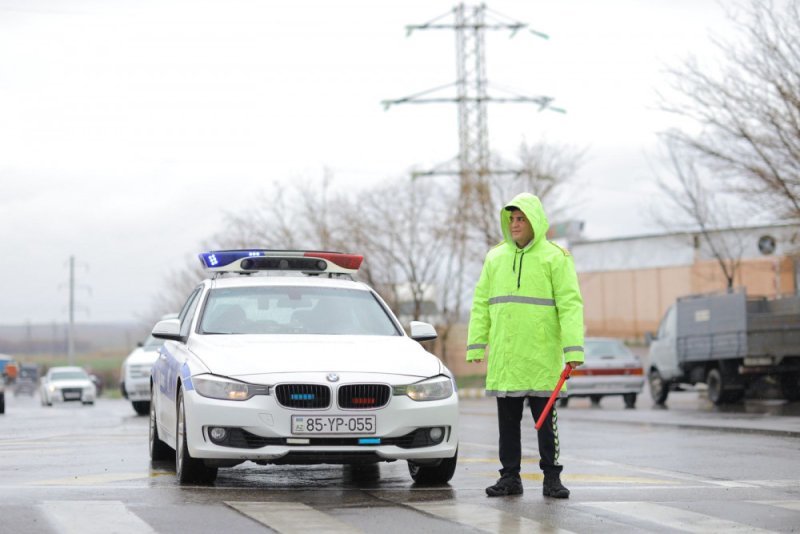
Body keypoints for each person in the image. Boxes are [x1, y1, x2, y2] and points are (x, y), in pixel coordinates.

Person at [466, 192, 584, 499]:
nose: (515, 224)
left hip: (542, 357)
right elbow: (481, 304)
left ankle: (552, 478)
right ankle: (510, 478)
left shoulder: (555, 257)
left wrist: (573, 350)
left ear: (535, 221)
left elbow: (570, 304)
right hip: (506, 359)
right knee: (507, 424)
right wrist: (476, 345)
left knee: (546, 424)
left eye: (521, 219)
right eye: (512, 219)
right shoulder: (495, 257)